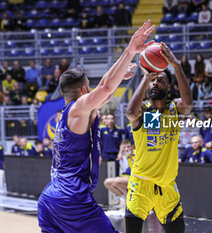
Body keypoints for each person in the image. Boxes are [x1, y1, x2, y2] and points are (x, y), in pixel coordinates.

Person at [37, 20, 155, 233]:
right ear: (84, 90)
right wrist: (130, 50)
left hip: (49, 199)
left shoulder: (69, 114)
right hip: (71, 200)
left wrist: (119, 77)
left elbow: (105, 92)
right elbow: (105, 87)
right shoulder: (77, 109)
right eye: (89, 89)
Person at [125, 41, 193, 233]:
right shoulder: (145, 110)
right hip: (141, 185)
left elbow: (188, 105)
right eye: (153, 80)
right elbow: (130, 113)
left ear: (168, 86)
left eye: (160, 80)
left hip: (167, 187)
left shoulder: (173, 109)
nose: (156, 82)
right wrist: (146, 77)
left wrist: (176, 66)